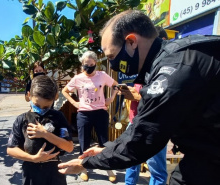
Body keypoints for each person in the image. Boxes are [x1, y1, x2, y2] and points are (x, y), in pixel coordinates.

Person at [58, 10, 220, 185]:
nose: (112, 64)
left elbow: (142, 140)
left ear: (131, 41)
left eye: (112, 56)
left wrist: (86, 163)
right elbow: (138, 129)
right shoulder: (171, 57)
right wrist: (106, 149)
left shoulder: (172, 71)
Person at [61, 51, 118, 182]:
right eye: (86, 65)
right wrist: (74, 102)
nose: (89, 67)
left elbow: (115, 85)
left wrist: (111, 98)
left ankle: (108, 168)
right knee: (83, 143)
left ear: (96, 64)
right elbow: (65, 91)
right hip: (84, 114)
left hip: (100, 113)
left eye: (92, 64)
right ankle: (83, 169)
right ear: (82, 65)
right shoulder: (78, 78)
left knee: (104, 142)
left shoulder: (102, 75)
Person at [7, 75, 73, 185]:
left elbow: (69, 147)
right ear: (29, 95)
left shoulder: (58, 117)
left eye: (46, 106)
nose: (41, 110)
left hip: (54, 171)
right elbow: (11, 149)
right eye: (37, 105)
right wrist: (33, 158)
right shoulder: (22, 119)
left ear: (54, 98)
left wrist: (45, 134)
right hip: (31, 171)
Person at [124, 26, 169, 185]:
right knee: (130, 160)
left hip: (153, 125)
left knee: (156, 168)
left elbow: (160, 97)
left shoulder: (166, 67)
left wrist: (137, 96)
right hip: (134, 120)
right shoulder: (142, 65)